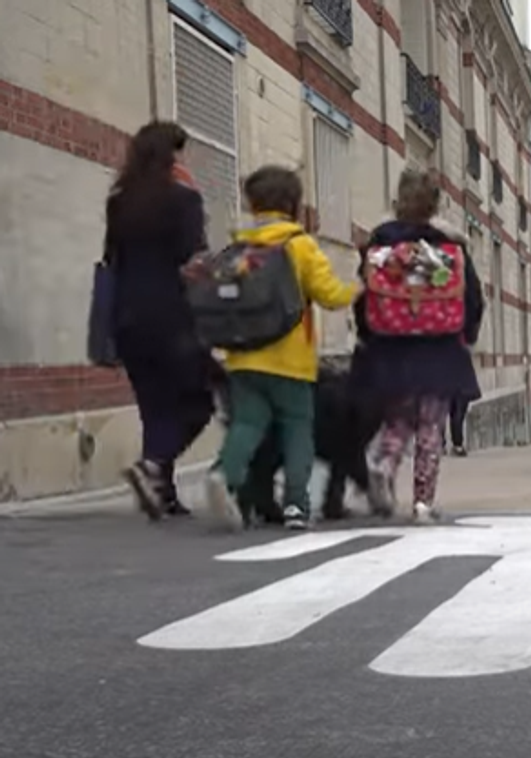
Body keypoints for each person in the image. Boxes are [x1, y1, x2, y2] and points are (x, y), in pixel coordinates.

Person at [204, 166, 359, 531]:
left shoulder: (239, 248)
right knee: (297, 430)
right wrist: (357, 290)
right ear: (294, 204)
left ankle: (223, 473)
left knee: (247, 423)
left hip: (242, 358)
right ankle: (296, 504)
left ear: (252, 203)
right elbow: (330, 296)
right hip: (292, 362)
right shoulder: (300, 245)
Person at [355, 169, 485, 523]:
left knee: (397, 421)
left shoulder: (381, 245)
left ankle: (383, 465)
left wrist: (371, 338)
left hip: (392, 349)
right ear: (434, 205)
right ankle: (422, 504)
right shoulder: (449, 246)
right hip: (440, 351)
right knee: (430, 430)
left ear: (398, 200)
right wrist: (466, 336)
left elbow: (364, 299)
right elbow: (473, 300)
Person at [105, 121, 217, 520]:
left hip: (127, 316)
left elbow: (113, 258)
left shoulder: (119, 200)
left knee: (154, 406)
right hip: (172, 315)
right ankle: (153, 465)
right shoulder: (183, 201)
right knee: (199, 402)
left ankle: (163, 492)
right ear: (173, 154)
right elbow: (193, 258)